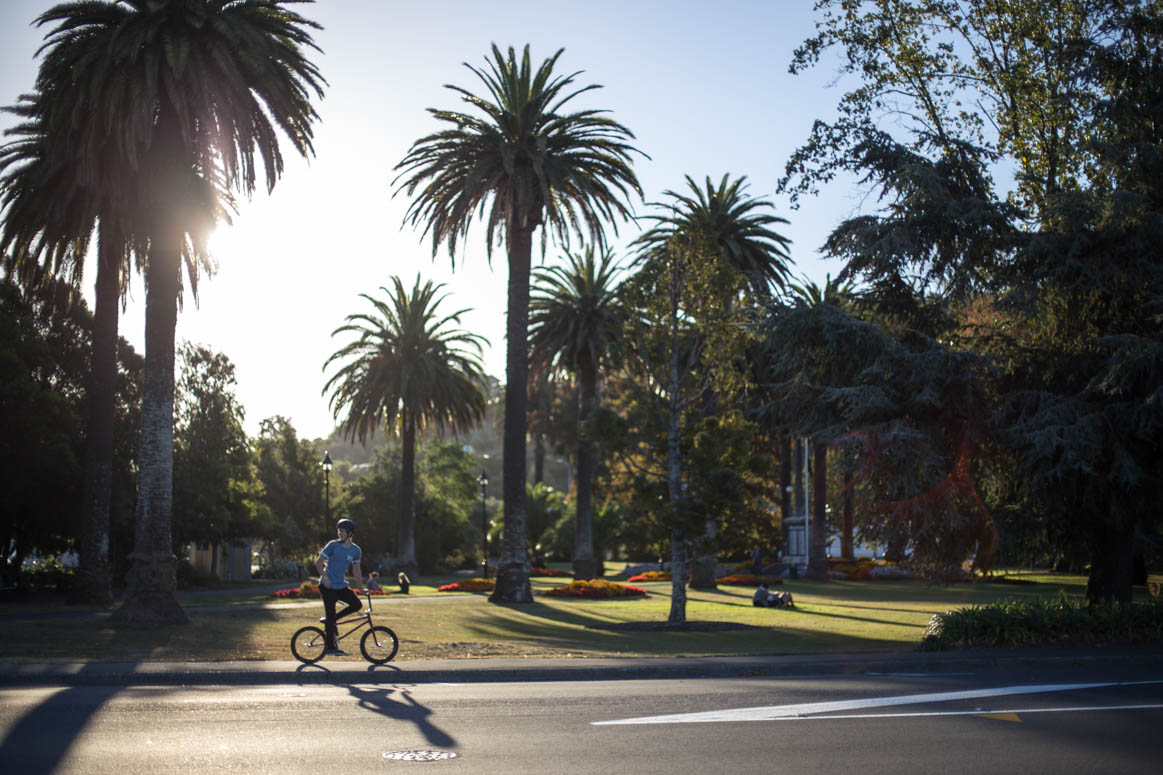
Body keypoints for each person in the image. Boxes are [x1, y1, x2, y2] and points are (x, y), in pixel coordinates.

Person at [316, 518, 363, 656]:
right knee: (330, 614)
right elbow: (319, 563)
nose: (339, 533)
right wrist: (324, 578)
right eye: (338, 531)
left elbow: (356, 570)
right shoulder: (333, 545)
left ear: (349, 533)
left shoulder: (356, 550)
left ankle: (332, 620)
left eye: (342, 531)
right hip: (327, 586)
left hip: (341, 585)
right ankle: (330, 648)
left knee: (356, 604)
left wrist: (360, 588)